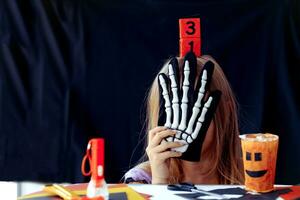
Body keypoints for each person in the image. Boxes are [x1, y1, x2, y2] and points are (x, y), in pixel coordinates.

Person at [124, 54, 244, 185]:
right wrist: (160, 183)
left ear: (226, 112)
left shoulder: (252, 176)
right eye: (174, 111)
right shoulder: (140, 181)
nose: (182, 122)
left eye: (192, 109)